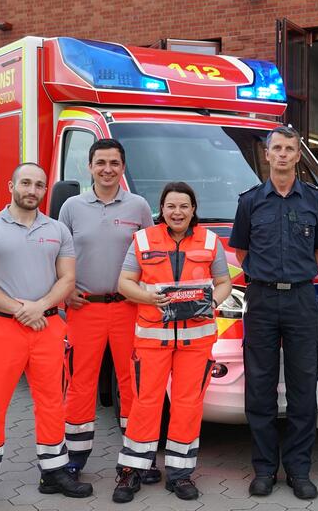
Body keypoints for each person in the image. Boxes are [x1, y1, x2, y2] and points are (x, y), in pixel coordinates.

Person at [0, 163, 92, 511]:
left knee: (51, 403)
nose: (33, 190)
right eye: (26, 183)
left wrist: (41, 306)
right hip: (4, 328)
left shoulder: (58, 230)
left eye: (40, 185)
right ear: (11, 185)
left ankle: (54, 472)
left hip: (47, 327)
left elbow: (67, 279)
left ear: (46, 191)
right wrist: (20, 309)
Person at [228, 126, 318, 501]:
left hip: (303, 300)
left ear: (298, 155)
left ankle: (299, 470)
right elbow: (241, 252)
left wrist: (296, 274)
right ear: (267, 155)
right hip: (262, 300)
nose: (284, 154)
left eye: (290, 148)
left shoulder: (316, 201)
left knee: (303, 388)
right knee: (260, 387)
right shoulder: (250, 201)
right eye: (277, 149)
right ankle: (264, 469)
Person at [112, 182, 232, 503]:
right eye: (171, 206)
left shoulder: (210, 241)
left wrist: (212, 302)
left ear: (193, 210)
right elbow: (124, 283)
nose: (177, 212)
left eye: (184, 206)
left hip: (196, 341)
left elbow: (224, 282)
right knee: (145, 403)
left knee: (187, 405)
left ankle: (179, 474)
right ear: (161, 209)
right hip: (152, 340)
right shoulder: (142, 239)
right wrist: (148, 297)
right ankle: (131, 471)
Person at [58, 139, 157, 482]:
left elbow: (151, 256)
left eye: (114, 163)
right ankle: (74, 458)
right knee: (79, 383)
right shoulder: (71, 207)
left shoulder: (139, 206)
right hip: (85, 308)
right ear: (89, 167)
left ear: (123, 167)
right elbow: (59, 255)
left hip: (129, 308)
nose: (107, 169)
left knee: (133, 383)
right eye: (100, 162)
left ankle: (139, 457)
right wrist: (65, 291)